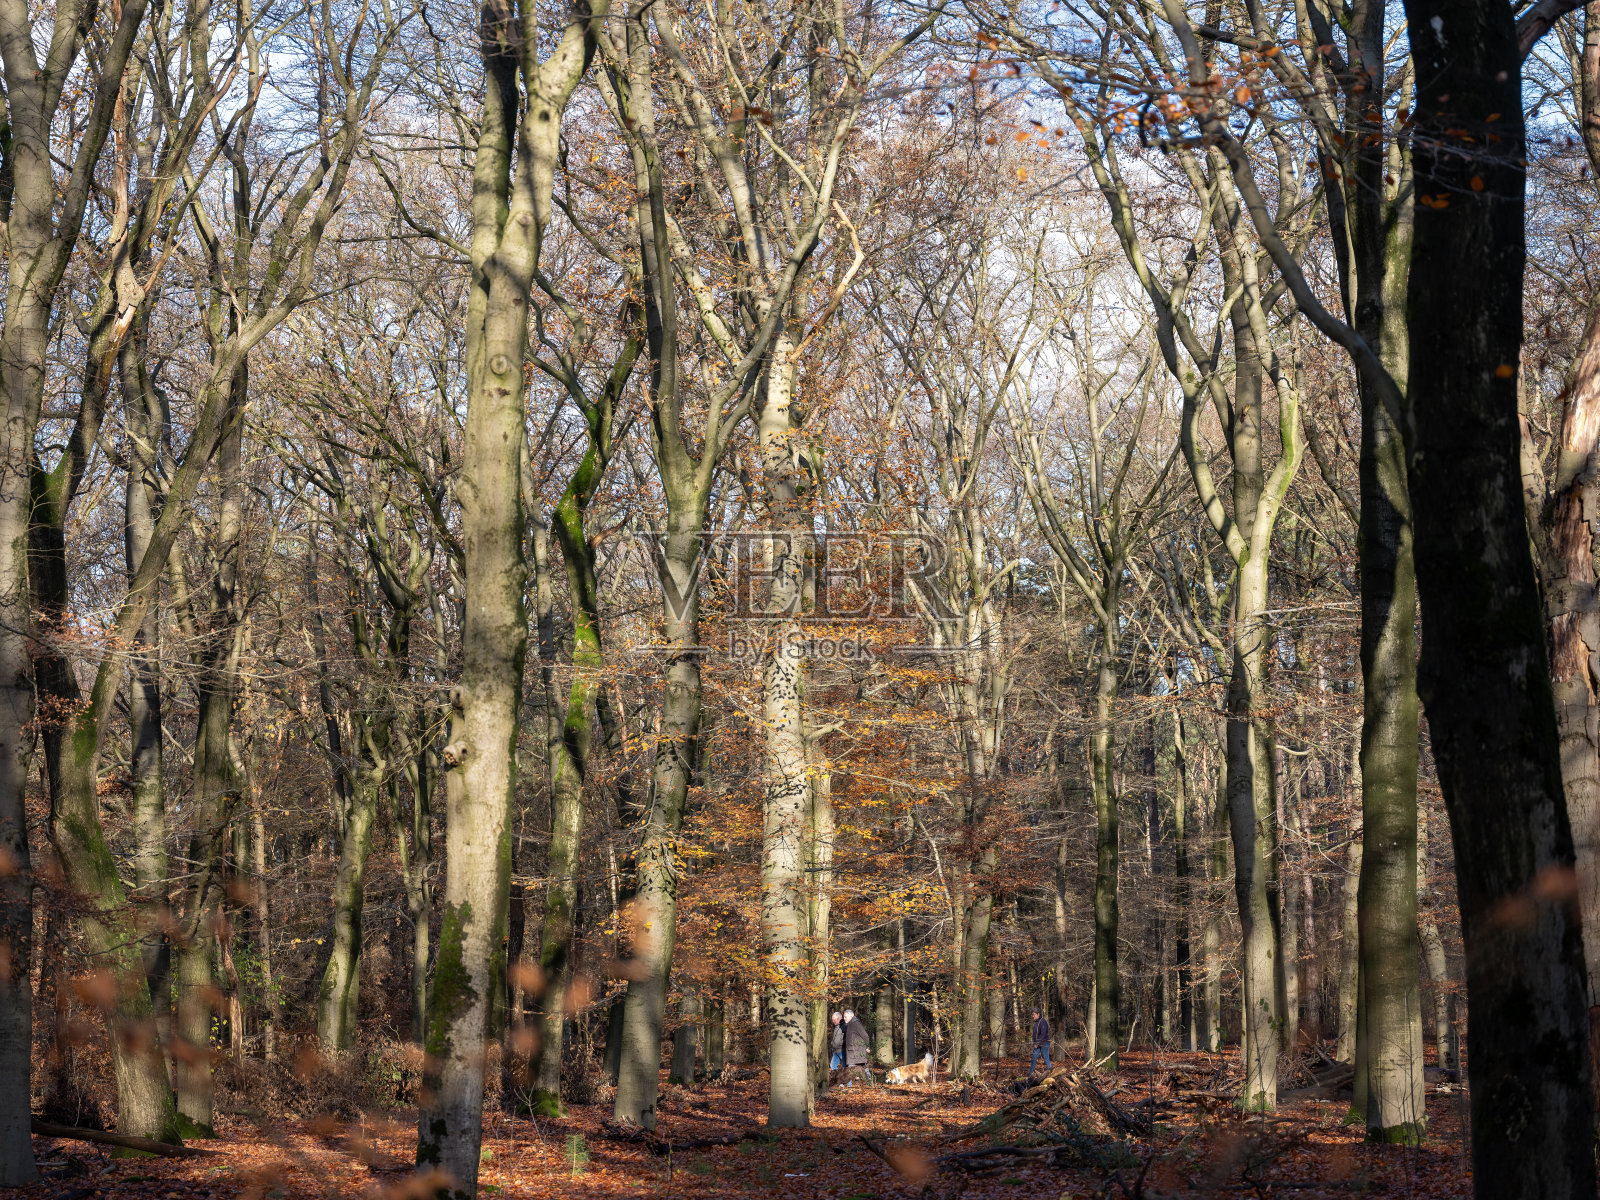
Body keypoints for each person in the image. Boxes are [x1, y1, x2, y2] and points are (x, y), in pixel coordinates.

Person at [843, 1007, 872, 1086]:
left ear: (850, 1016)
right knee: (863, 1068)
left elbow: (865, 1036)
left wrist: (867, 1047)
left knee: (852, 1069)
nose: (844, 1018)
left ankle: (845, 1085)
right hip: (853, 1052)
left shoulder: (856, 1024)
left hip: (856, 1052)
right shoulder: (850, 1024)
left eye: (845, 1016)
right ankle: (870, 1083)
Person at [1030, 1008, 1052, 1078]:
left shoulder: (1043, 1022)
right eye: (1032, 1015)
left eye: (1034, 1015)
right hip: (1037, 1044)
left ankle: (1051, 1073)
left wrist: (1037, 1043)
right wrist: (1035, 1043)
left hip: (1045, 1043)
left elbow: (1043, 1034)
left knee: (1046, 1059)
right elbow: (1035, 1035)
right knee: (1034, 1058)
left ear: (1038, 1014)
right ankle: (1030, 1076)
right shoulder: (1035, 1022)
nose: (1033, 1016)